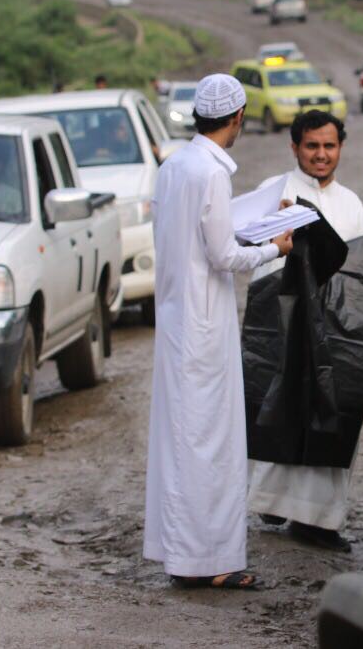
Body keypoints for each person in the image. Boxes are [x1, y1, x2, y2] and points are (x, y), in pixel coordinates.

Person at [143, 73, 293, 591]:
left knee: (183, 437)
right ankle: (209, 561)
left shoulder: (173, 166)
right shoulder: (210, 174)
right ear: (238, 119)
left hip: (177, 320)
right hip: (203, 326)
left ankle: (184, 554)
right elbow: (224, 255)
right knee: (209, 440)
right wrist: (276, 246)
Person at [247, 111, 363, 553]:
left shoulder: (351, 202)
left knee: (334, 417)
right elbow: (254, 252)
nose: (321, 155)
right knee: (283, 408)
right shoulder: (276, 193)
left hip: (337, 333)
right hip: (288, 327)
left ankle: (319, 521)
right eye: (311, 146)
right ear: (295, 148)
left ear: (340, 147)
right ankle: (275, 503)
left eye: (329, 146)